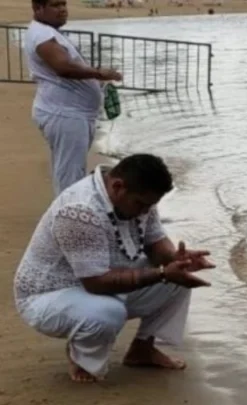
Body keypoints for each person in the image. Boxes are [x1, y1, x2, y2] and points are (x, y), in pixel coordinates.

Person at [13, 154, 214, 383]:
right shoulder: (80, 210)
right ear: (118, 187)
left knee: (180, 278)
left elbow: (154, 241)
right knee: (107, 313)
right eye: (140, 204)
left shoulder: (138, 197)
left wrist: (176, 259)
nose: (144, 210)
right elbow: (96, 282)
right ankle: (82, 359)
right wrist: (161, 273)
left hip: (101, 279)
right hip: (48, 295)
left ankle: (142, 350)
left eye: (150, 205)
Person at [24, 0, 123, 195]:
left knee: (69, 171)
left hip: (71, 113)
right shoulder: (42, 35)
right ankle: (68, 220)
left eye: (64, 4)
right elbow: (64, 67)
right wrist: (99, 73)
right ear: (38, 8)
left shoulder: (47, 31)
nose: (62, 9)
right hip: (65, 114)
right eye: (55, 5)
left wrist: (97, 84)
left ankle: (67, 215)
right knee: (70, 176)